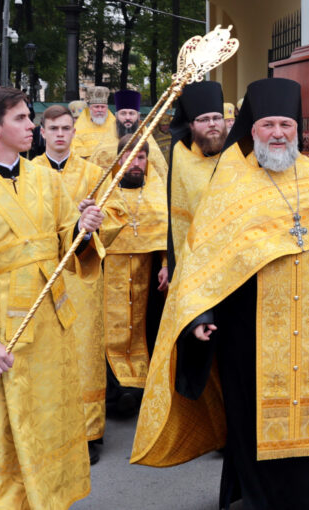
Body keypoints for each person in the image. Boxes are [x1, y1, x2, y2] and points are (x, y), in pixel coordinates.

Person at [132, 77, 309, 510]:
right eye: (269, 125)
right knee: (253, 416)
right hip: (248, 325)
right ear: (252, 129)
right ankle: (259, 497)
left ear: (297, 129)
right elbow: (205, 254)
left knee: (308, 411)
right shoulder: (232, 180)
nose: (278, 133)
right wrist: (200, 315)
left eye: (285, 124)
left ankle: (307, 496)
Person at [0, 86, 105, 509]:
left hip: (52, 324)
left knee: (52, 423)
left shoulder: (46, 179)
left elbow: (64, 242)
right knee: (3, 430)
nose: (31, 125)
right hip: (4, 333)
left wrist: (82, 229)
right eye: (21, 118)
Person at [32, 104, 127, 464]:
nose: (59, 134)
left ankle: (88, 435)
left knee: (85, 353)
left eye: (65, 129)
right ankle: (50, 430)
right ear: (42, 132)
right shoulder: (28, 174)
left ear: (74, 132)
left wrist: (95, 219)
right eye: (53, 128)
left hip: (83, 276)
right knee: (46, 354)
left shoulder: (93, 173)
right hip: (43, 274)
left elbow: (117, 215)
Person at [103, 134, 168, 417]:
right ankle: (115, 393)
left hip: (148, 273)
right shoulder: (105, 192)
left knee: (146, 329)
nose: (135, 164)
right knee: (110, 331)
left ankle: (142, 392)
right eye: (129, 157)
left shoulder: (158, 192)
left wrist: (166, 263)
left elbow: (168, 233)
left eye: (140, 157)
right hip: (110, 275)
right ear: (119, 160)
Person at [166, 81, 241, 276]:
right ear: (191, 125)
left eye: (217, 118)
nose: (213, 124)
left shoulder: (238, 155)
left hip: (236, 260)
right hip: (197, 261)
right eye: (204, 119)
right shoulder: (182, 159)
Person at [87, 89, 169, 181]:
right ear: (116, 116)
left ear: (138, 116)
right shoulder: (104, 149)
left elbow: (161, 175)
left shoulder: (149, 143)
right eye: (123, 113)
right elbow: (95, 177)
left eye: (131, 113)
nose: (127, 118)